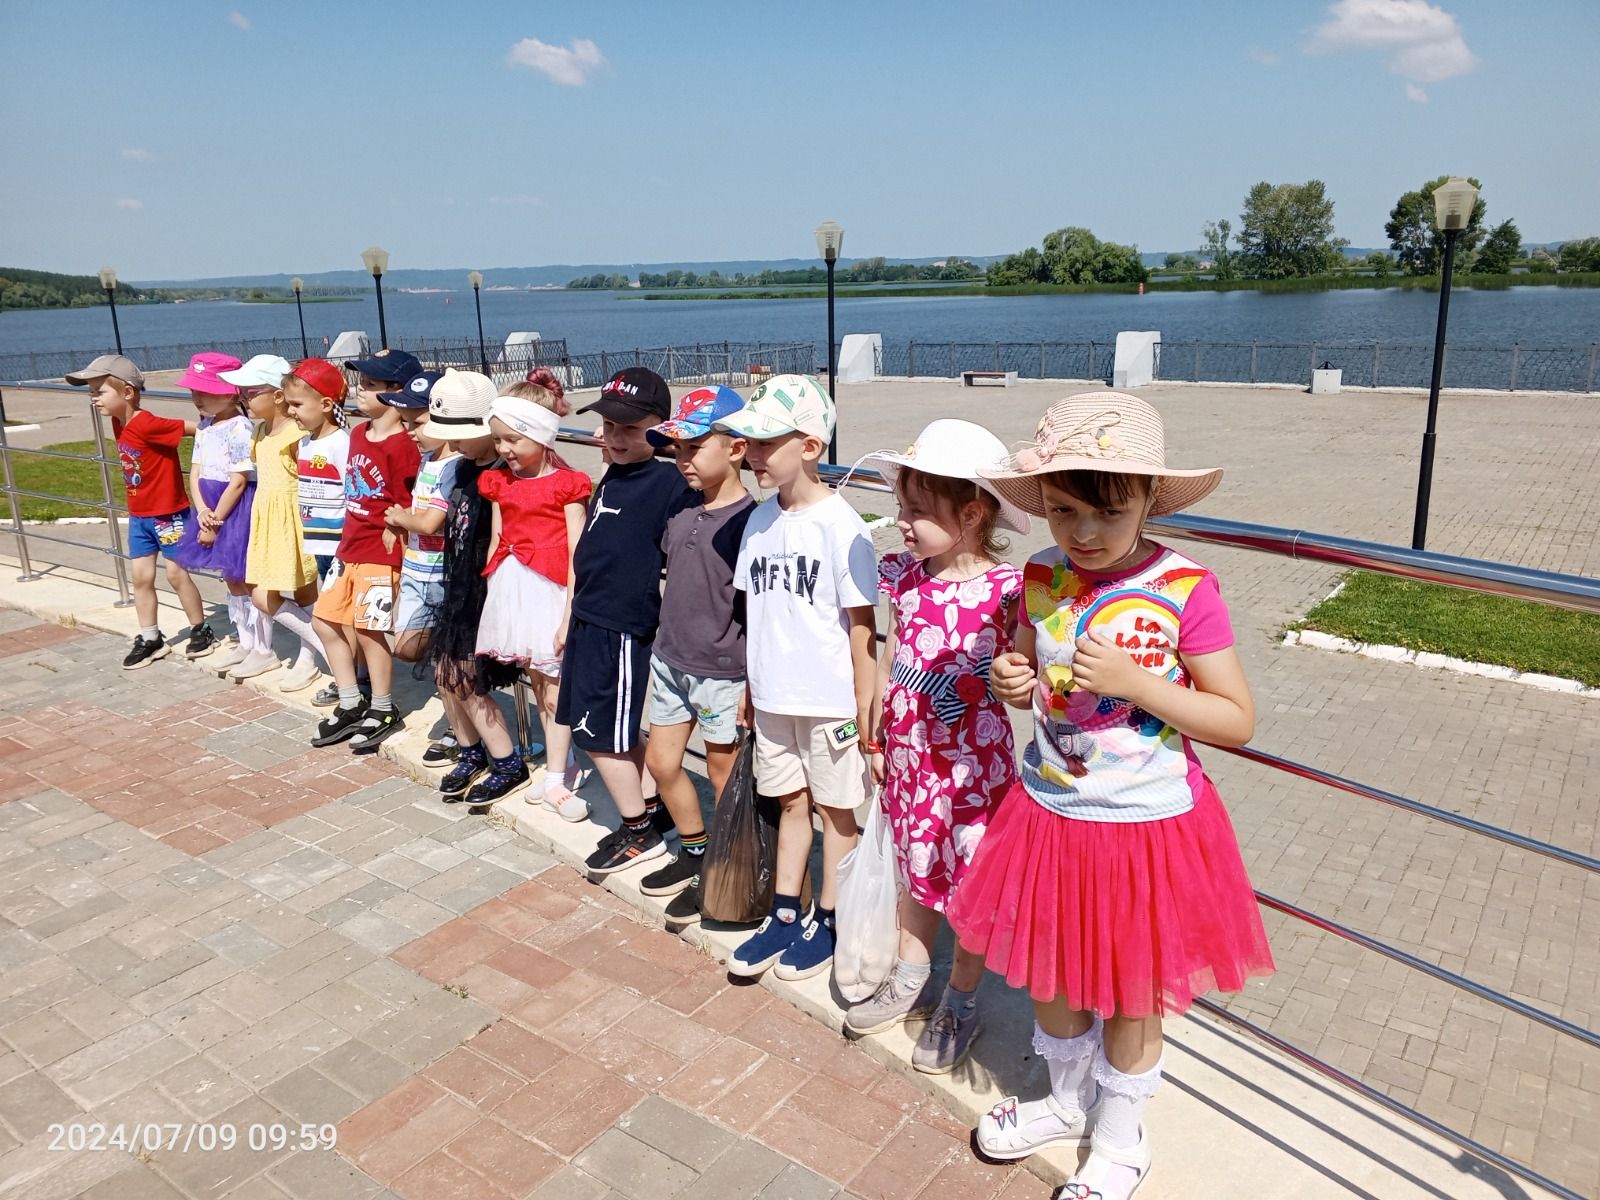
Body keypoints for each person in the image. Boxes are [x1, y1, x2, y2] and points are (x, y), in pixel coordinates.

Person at [949, 393, 1274, 1200]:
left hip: (1147, 824)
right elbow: (1029, 663)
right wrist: (1010, 675)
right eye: (1062, 511)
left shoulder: (1185, 587)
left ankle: (1123, 1137)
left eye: (1107, 511)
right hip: (1051, 813)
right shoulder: (1041, 576)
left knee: (1133, 987)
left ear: (1145, 502)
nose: (1083, 533)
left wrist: (1138, 684)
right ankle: (1065, 1100)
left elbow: (1236, 719)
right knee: (1051, 974)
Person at [842, 420, 1030, 1074]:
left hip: (974, 771)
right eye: (901, 509)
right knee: (914, 870)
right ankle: (908, 971)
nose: (901, 523)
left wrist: (981, 684)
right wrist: (875, 731)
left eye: (916, 512)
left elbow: (1019, 677)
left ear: (972, 514)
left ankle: (963, 997)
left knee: (971, 885)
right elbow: (889, 652)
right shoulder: (906, 577)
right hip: (912, 760)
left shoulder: (1007, 592)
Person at [713, 375, 877, 982]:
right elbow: (757, 615)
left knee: (837, 810)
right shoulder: (759, 522)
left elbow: (862, 628)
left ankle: (831, 917)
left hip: (830, 702)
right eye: (748, 443)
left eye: (765, 443)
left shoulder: (844, 526)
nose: (752, 455)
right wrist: (753, 691)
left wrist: (866, 709)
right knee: (789, 802)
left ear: (809, 445)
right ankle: (785, 912)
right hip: (774, 697)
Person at [630, 387, 755, 926]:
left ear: (736, 448)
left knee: (725, 776)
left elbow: (756, 610)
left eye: (694, 447)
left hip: (722, 673)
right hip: (669, 659)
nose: (682, 460)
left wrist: (753, 682)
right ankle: (698, 850)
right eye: (676, 449)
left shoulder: (752, 520)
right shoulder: (681, 505)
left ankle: (728, 869)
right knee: (661, 763)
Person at [568, 368, 696, 875]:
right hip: (589, 616)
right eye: (608, 426)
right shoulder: (615, 474)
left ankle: (639, 828)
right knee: (605, 725)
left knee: (600, 734)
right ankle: (650, 802)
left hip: (623, 625)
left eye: (629, 428)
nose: (614, 437)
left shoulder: (668, 482)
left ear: (660, 429)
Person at [462, 389, 593, 807]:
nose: (504, 449)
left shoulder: (567, 485)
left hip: (552, 591)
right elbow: (497, 541)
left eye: (513, 440)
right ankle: (563, 766)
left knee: (554, 687)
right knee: (539, 683)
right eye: (498, 440)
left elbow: (577, 551)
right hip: (513, 588)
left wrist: (569, 612)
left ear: (542, 437)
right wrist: (493, 598)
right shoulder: (499, 482)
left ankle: (557, 772)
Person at [422, 370, 528, 806]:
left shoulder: (505, 475)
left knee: (469, 678)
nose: (458, 443)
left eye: (465, 435)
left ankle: (507, 760)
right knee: (444, 672)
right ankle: (469, 749)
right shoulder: (459, 469)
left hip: (485, 589)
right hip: (456, 581)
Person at [65, 354, 209, 668]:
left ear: (127, 393)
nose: (93, 398)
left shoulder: (147, 423)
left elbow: (194, 428)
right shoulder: (119, 422)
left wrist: (223, 433)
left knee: (176, 574)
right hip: (140, 517)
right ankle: (151, 637)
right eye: (91, 392)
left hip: (168, 515)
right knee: (141, 578)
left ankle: (201, 628)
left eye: (99, 391)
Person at [311, 351, 422, 751]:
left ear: (397, 393)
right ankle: (350, 700)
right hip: (350, 546)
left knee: (371, 630)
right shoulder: (358, 434)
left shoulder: (402, 446)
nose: (361, 390)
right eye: (362, 383)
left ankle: (383, 706)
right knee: (325, 620)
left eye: (372, 386)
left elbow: (411, 499)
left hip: (381, 550)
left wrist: (401, 530)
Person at [227, 356, 331, 691]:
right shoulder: (260, 431)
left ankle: (310, 656)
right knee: (262, 593)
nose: (243, 398)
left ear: (276, 395)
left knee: (303, 590)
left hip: (294, 518)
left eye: (250, 391)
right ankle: (323, 642)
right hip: (268, 517)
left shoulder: (296, 435)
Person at [169, 352, 263, 676]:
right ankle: (245, 641)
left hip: (234, 510)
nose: (197, 398)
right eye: (194, 391)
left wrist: (216, 517)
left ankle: (262, 647)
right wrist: (203, 511)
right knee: (231, 579)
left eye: (204, 391)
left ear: (229, 391)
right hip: (211, 507)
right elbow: (194, 472)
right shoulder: (206, 427)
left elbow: (238, 481)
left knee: (246, 578)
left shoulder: (240, 427)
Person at [286, 360, 353, 702]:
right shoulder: (307, 443)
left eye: (297, 405)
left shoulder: (342, 443)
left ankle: (353, 679)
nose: (291, 411)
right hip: (318, 541)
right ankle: (349, 676)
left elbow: (351, 493)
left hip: (339, 543)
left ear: (326, 404)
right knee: (332, 614)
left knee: (339, 615)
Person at [382, 372, 455, 666]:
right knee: (404, 648)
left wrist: (400, 518)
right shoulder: (427, 458)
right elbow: (420, 509)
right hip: (416, 567)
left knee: (419, 649)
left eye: (419, 423)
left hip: (439, 573)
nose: (410, 431)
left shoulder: (454, 465)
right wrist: (399, 520)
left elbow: (429, 523)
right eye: (406, 423)